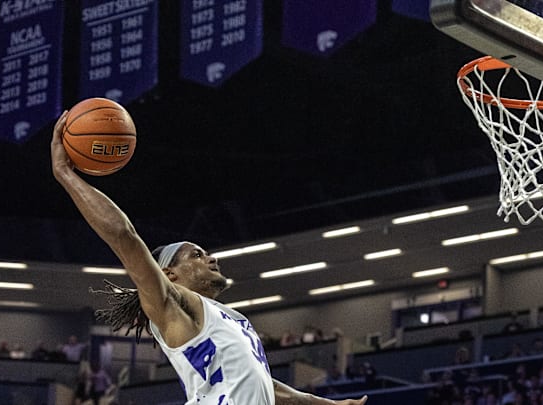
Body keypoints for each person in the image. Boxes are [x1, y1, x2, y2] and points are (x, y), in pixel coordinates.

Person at [50, 111, 367, 405]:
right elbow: (125, 237)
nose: (211, 258)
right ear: (170, 274)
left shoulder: (233, 320)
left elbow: (267, 387)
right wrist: (65, 174)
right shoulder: (172, 306)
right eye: (196, 255)